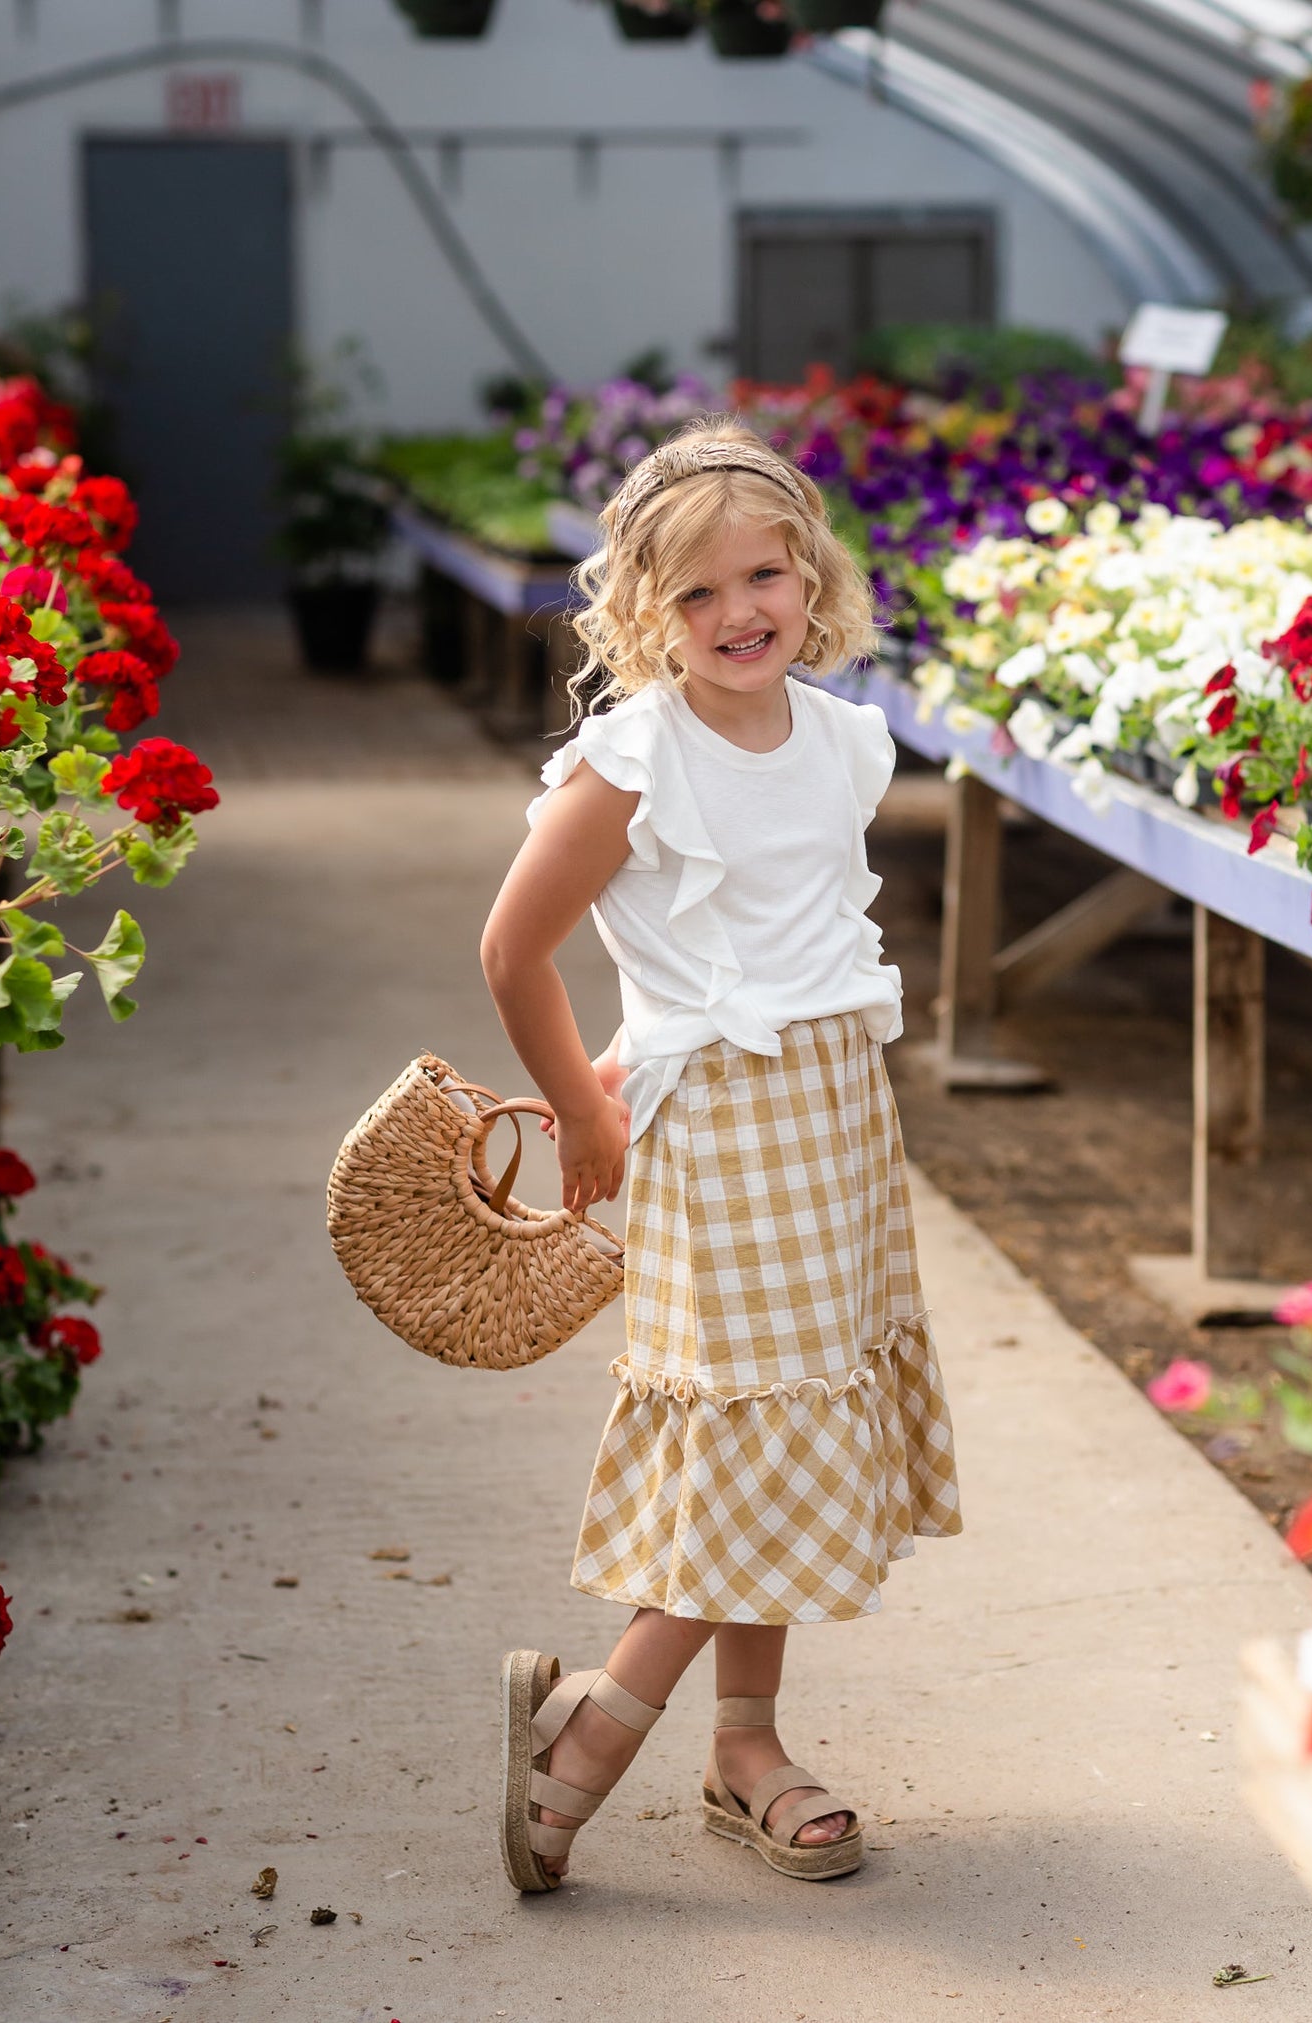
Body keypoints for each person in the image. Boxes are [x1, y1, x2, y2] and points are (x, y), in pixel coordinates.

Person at [480, 417, 961, 1894]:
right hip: (715, 1131)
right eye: (695, 595)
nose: (739, 613)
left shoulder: (843, 739)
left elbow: (796, 930)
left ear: (813, 580)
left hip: (832, 1110)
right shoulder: (632, 761)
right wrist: (582, 1104)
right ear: (640, 614)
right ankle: (592, 1729)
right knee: (753, 1433)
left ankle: (744, 1744)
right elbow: (514, 952)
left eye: (766, 576)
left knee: (799, 1414)